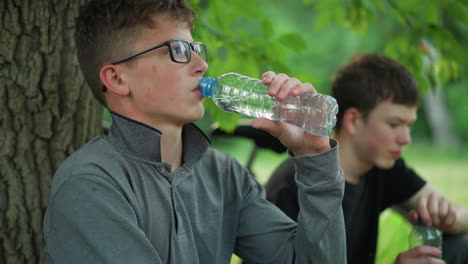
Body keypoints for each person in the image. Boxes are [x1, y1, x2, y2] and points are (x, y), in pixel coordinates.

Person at [42, 0, 347, 263]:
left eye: (195, 49)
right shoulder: (89, 185)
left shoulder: (225, 175)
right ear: (118, 79)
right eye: (177, 50)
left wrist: (314, 156)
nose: (202, 64)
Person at [265, 54, 468, 264]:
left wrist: (447, 216)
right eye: (394, 124)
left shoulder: (382, 167)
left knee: (459, 246)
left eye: (409, 126)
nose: (406, 139)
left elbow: (463, 218)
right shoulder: (292, 185)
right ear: (353, 120)